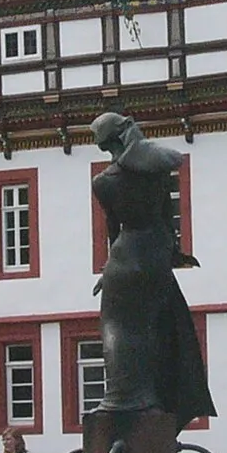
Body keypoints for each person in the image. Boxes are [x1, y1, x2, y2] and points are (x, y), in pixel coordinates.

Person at [90, 113, 216, 423]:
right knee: (159, 329)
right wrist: (174, 254)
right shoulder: (157, 172)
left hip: (123, 258)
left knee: (117, 329)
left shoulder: (103, 183)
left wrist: (108, 269)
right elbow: (166, 219)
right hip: (154, 256)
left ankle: (120, 396)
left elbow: (113, 229)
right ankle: (151, 397)